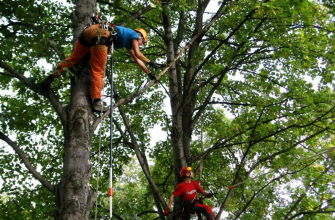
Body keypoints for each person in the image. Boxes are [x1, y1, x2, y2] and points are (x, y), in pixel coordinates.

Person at [40, 22, 160, 112]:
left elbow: (137, 59)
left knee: (73, 59)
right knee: (98, 71)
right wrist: (151, 62)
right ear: (140, 36)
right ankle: (96, 102)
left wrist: (149, 73)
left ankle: (50, 78)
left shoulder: (127, 42)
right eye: (143, 42)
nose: (141, 44)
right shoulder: (134, 35)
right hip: (102, 35)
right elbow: (139, 54)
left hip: (89, 32)